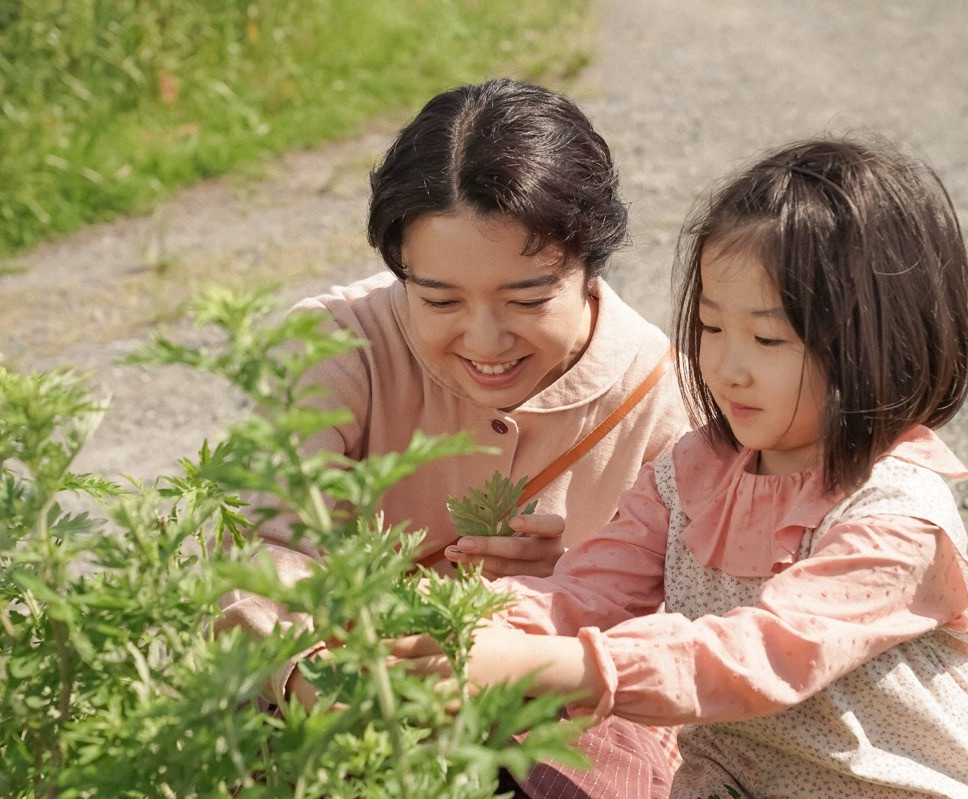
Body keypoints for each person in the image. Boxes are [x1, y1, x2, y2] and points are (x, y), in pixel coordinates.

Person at [393, 136, 968, 798]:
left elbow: (758, 652)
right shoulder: (693, 472)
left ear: (879, 342)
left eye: (768, 337)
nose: (727, 366)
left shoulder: (896, 513)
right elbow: (589, 592)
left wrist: (556, 664)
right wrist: (471, 620)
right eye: (711, 326)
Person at [217, 78, 690, 797]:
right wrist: (346, 686)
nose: (485, 339)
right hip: (342, 691)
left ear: (591, 264)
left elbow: (695, 624)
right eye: (438, 299)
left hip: (553, 709)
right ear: (398, 268)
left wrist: (572, 578)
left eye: (527, 299)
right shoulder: (335, 347)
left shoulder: (661, 395)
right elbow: (261, 549)